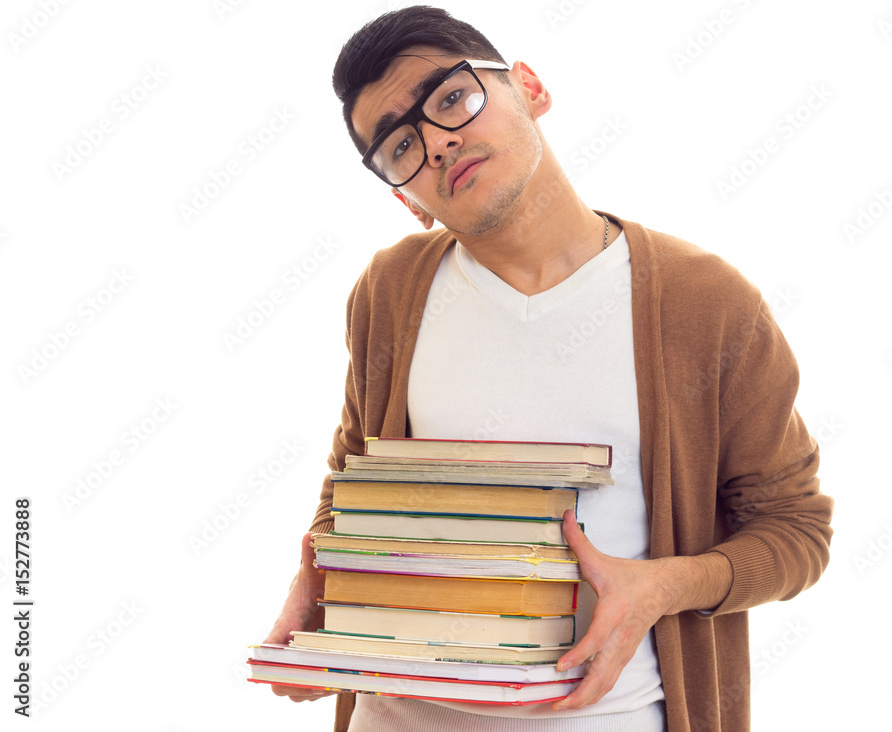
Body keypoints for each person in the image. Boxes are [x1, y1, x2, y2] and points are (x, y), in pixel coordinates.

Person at [262, 6, 834, 731]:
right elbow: (353, 479)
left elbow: (796, 531)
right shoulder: (390, 291)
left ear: (529, 86)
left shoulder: (706, 302)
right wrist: (315, 583)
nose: (438, 144)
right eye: (401, 145)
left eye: (452, 98)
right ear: (405, 197)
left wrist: (661, 587)